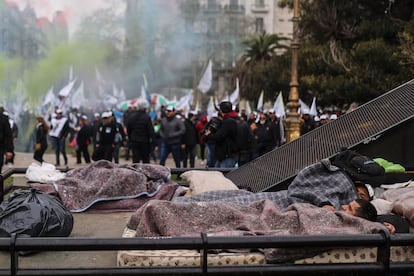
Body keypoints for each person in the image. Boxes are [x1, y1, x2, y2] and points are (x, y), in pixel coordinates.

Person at [202, 101, 238, 168]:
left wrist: (208, 135)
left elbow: (219, 136)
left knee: (224, 176)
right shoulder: (232, 120)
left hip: (227, 155)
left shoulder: (228, 122)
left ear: (221, 111)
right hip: (223, 155)